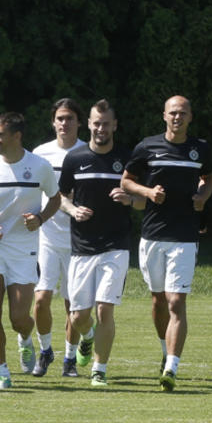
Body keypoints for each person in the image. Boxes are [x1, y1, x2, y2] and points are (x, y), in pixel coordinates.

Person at [122, 95, 212, 391]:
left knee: (176, 301)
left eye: (183, 113)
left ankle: (171, 368)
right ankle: (165, 350)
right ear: (164, 115)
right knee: (158, 301)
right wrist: (148, 192)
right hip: (152, 235)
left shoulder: (200, 149)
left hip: (184, 236)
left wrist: (203, 195)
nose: (177, 117)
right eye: (173, 112)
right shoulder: (147, 146)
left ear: (190, 117)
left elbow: (209, 177)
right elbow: (126, 181)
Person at [0, 112, 60, 389]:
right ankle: (2, 373)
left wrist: (40, 219)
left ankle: (25, 338)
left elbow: (55, 199)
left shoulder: (40, 166)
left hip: (25, 252)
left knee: (19, 318)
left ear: (17, 136)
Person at [59, 100, 143, 387]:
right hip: (82, 248)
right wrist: (73, 210)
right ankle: (88, 336)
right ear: (89, 124)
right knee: (78, 316)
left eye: (106, 123)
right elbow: (61, 197)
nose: (101, 128)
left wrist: (130, 199)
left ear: (114, 125)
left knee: (105, 309)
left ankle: (99, 369)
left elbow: (145, 200)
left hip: (116, 246)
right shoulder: (75, 158)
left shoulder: (128, 159)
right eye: (96, 123)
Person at [31, 98, 87, 377]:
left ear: (79, 122)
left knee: (72, 305)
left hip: (79, 240)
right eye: (60, 118)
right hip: (46, 238)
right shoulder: (40, 153)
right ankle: (45, 351)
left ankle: (70, 359)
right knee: (41, 299)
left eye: (70, 118)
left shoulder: (88, 152)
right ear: (53, 122)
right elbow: (31, 190)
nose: (65, 123)